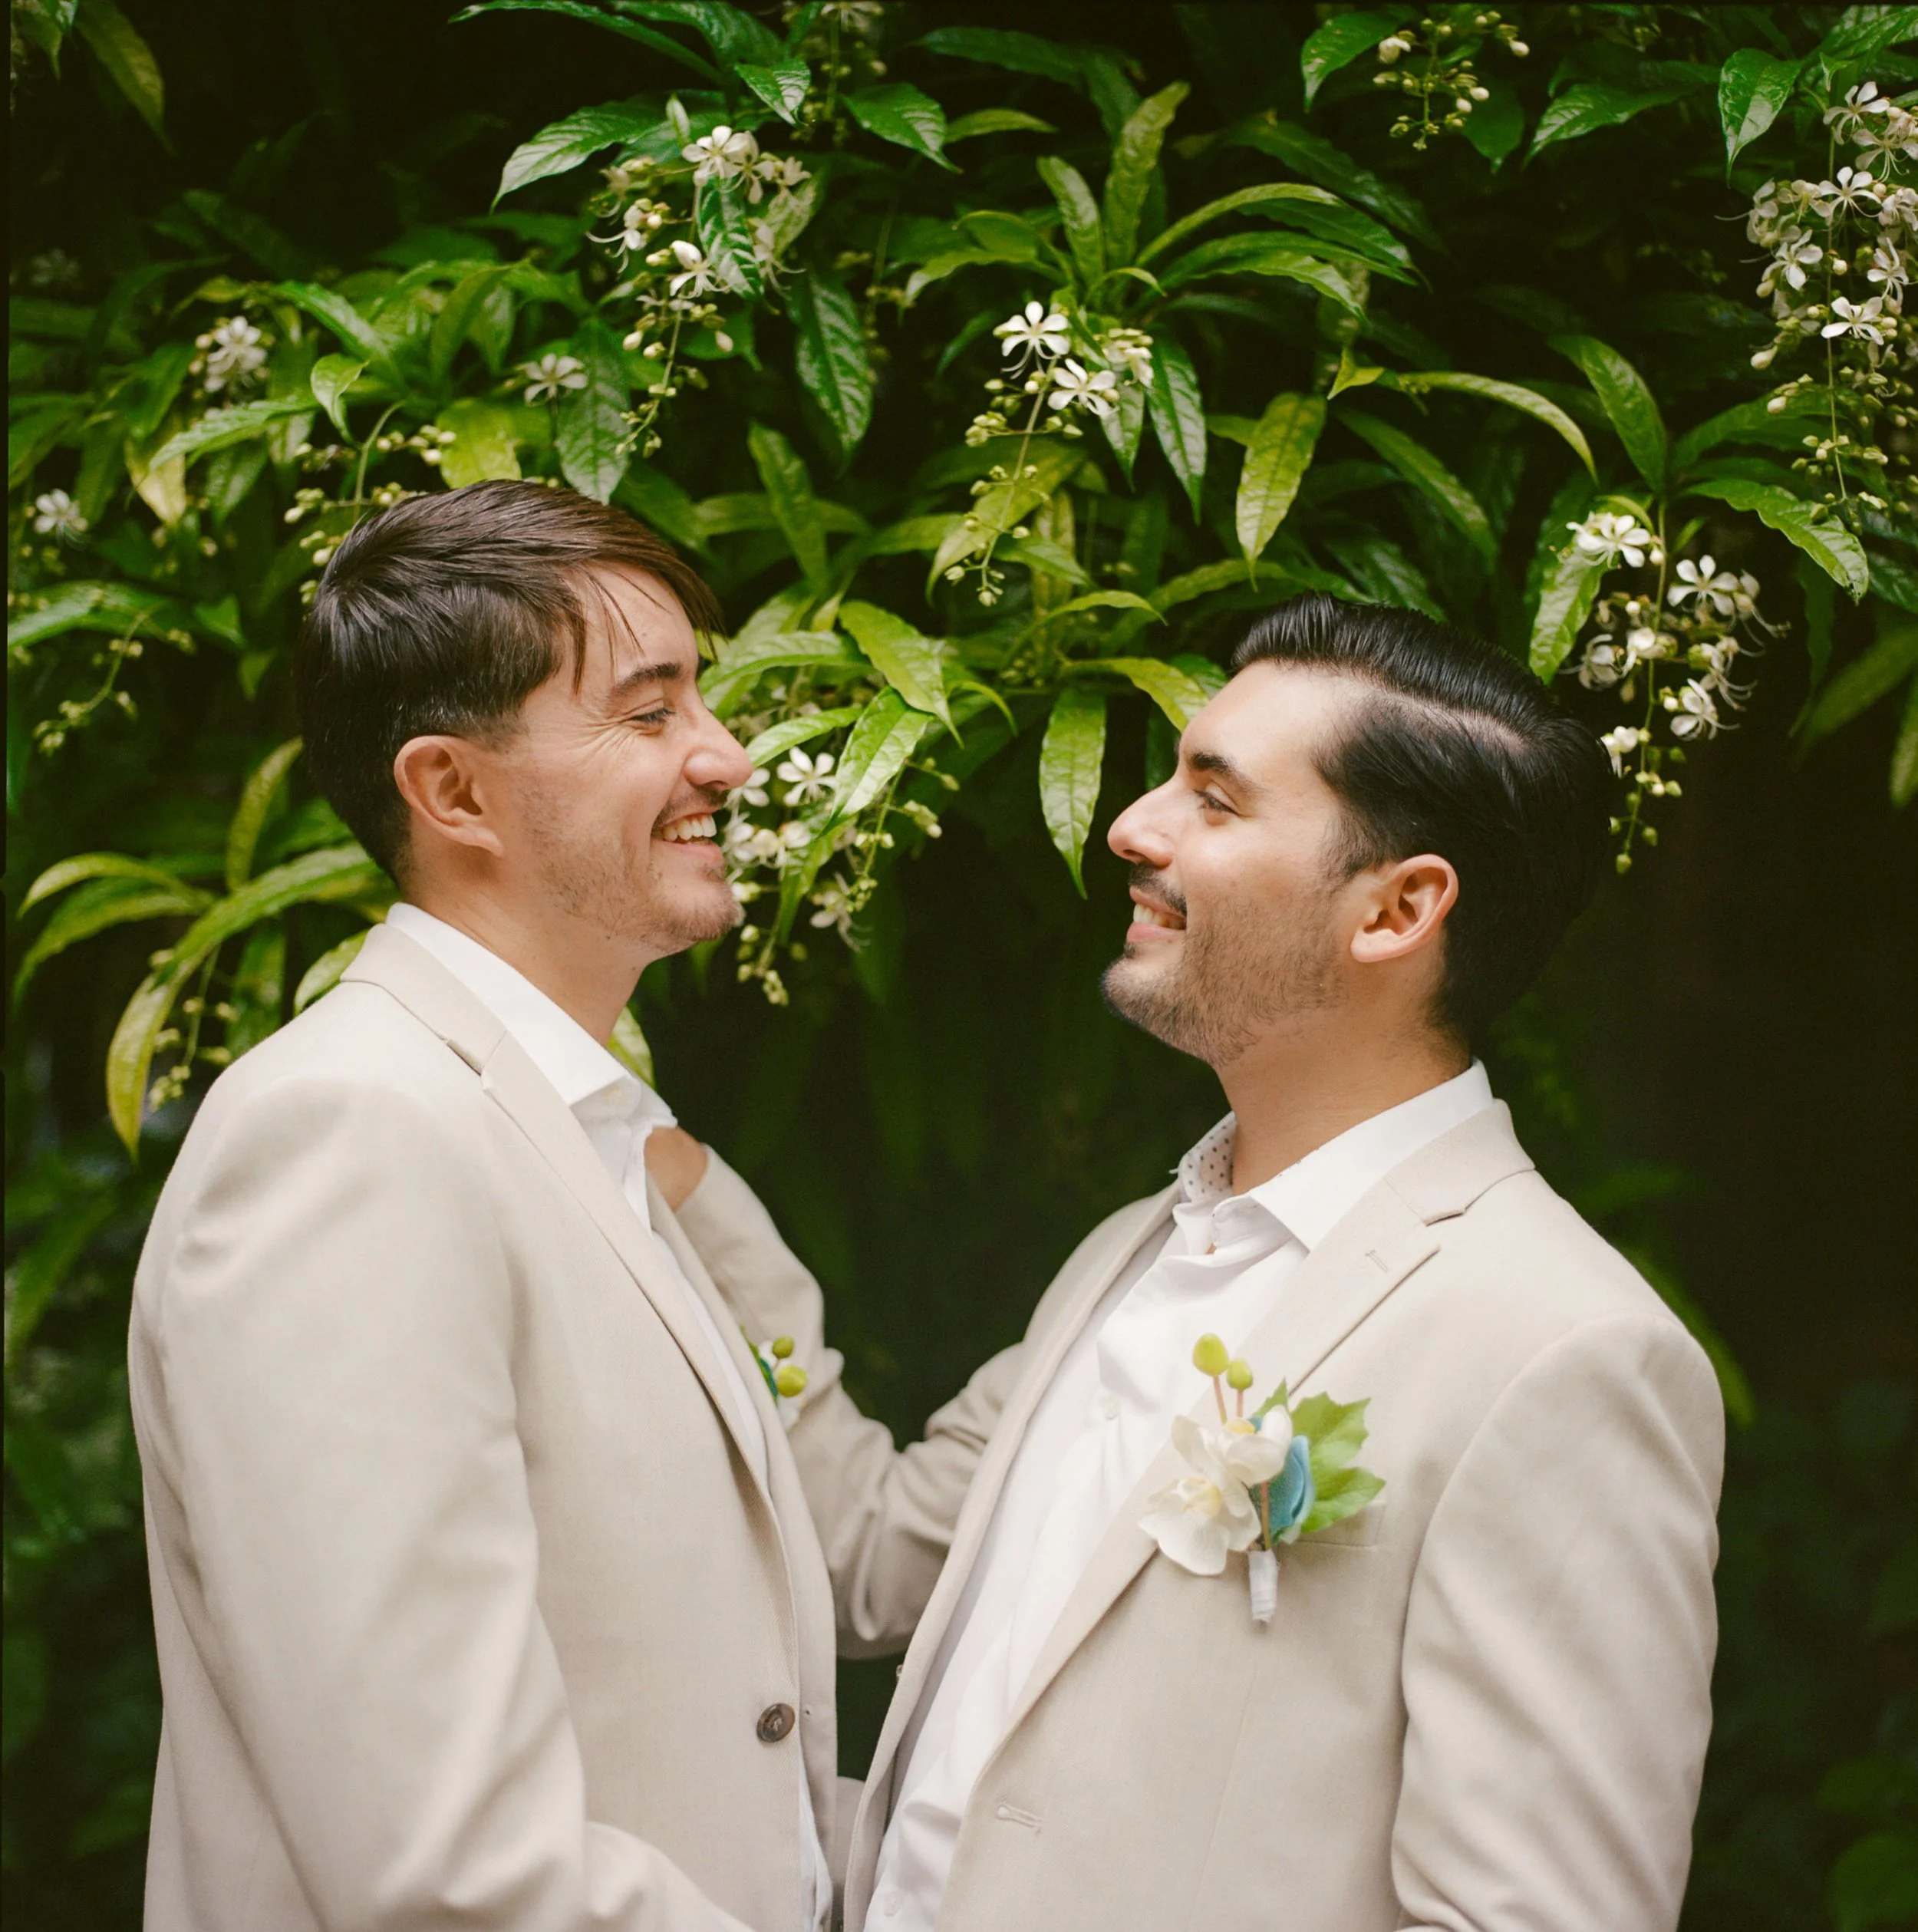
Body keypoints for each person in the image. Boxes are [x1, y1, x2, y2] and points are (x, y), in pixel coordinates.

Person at [679, 595, 1725, 1932]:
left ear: (1398, 909)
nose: (1132, 824)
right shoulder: (1133, 1249)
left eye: (1215, 801)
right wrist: (684, 1193)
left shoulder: (1561, 1349)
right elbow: (875, 1558)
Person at [127, 481, 1015, 1932]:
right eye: (648, 711)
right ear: (454, 791)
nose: (725, 756)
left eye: (701, 704)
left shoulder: (586, 1139)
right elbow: (448, 1859)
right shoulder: (353, 1133)